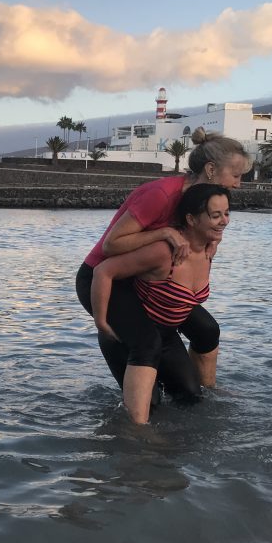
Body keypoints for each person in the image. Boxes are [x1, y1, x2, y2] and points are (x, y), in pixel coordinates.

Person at [75, 127, 250, 403]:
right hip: (103, 278)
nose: (239, 184)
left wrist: (213, 240)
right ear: (211, 170)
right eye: (237, 176)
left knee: (205, 331)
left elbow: (207, 225)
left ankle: (203, 389)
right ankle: (137, 423)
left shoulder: (202, 202)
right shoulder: (162, 194)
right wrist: (163, 233)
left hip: (142, 274)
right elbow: (110, 246)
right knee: (147, 345)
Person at [90, 184, 231, 423]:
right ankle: (133, 442)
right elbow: (103, 271)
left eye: (227, 213)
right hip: (132, 341)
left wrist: (215, 237)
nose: (224, 221)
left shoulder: (208, 247)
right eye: (215, 215)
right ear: (191, 219)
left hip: (165, 337)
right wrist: (101, 322)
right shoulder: (164, 252)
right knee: (150, 407)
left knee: (191, 398)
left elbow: (214, 230)